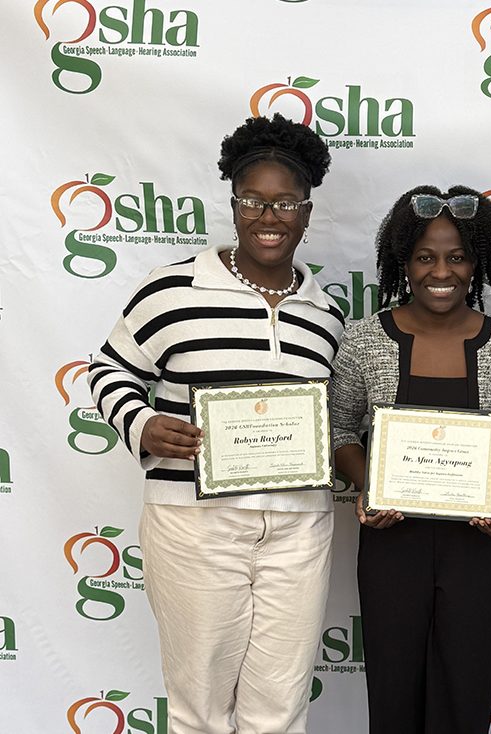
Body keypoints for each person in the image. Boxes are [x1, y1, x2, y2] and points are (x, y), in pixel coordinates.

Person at [87, 113, 343, 734]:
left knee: (279, 709)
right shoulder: (172, 290)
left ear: (307, 213)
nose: (268, 217)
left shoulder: (327, 314)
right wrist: (141, 423)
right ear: (233, 202)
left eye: (285, 203)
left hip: (299, 526)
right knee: (199, 709)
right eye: (252, 200)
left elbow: (335, 418)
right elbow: (107, 370)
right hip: (194, 524)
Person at [330, 185, 491, 734]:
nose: (440, 271)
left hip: (478, 543)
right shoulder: (365, 341)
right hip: (390, 542)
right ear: (403, 261)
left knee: (465, 698)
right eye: (424, 256)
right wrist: (370, 481)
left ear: (479, 262)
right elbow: (340, 428)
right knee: (394, 698)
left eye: (457, 256)